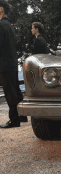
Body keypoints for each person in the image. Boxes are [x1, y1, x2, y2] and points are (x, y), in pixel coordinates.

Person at [0, 0, 28, 129]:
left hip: (4, 63)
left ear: (1, 9)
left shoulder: (1, 25)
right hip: (12, 62)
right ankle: (22, 116)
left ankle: (14, 120)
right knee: (16, 89)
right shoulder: (10, 25)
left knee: (9, 91)